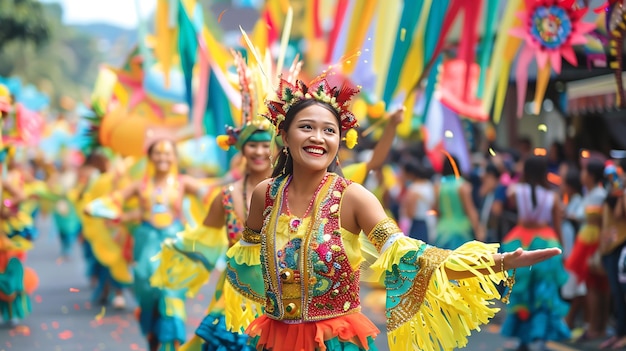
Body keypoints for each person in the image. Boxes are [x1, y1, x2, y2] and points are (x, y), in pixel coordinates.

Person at [222, 75, 561, 351]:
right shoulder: (264, 194)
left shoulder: (353, 197)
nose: (318, 138)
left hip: (334, 342)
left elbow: (412, 255)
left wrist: (498, 262)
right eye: (306, 127)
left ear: (340, 140)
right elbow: (248, 258)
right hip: (273, 339)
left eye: (329, 130)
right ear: (283, 135)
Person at [86, 138, 210, 351]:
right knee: (147, 290)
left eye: (168, 153)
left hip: (174, 246)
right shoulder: (140, 185)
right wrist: (99, 208)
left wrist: (239, 176)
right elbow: (115, 199)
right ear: (150, 157)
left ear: (174, 157)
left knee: (169, 294)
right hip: (146, 245)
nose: (163, 157)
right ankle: (153, 331)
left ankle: (171, 340)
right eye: (158, 153)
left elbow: (212, 192)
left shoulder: (183, 182)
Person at [500, 155, 570, 351]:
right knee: (544, 294)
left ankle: (522, 338)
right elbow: (557, 225)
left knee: (520, 292)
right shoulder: (552, 196)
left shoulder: (515, 190)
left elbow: (511, 200)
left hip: (520, 240)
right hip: (545, 240)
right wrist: (561, 251)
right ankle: (541, 338)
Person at [434, 154, 485, 249]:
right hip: (461, 230)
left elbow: (436, 210)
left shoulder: (438, 186)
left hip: (443, 230)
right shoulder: (463, 186)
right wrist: (478, 230)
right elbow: (470, 210)